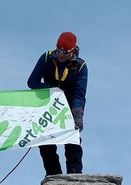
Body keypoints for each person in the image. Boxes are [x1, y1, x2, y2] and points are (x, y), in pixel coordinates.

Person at [27, 32, 88, 176]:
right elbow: (32, 82)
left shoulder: (80, 66)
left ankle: (75, 174)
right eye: (58, 51)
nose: (60, 55)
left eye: (65, 52)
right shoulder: (47, 58)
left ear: (72, 50)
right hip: (46, 107)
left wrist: (77, 116)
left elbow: (80, 94)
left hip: (69, 107)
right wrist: (49, 88)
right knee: (45, 142)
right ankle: (53, 175)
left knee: (73, 142)